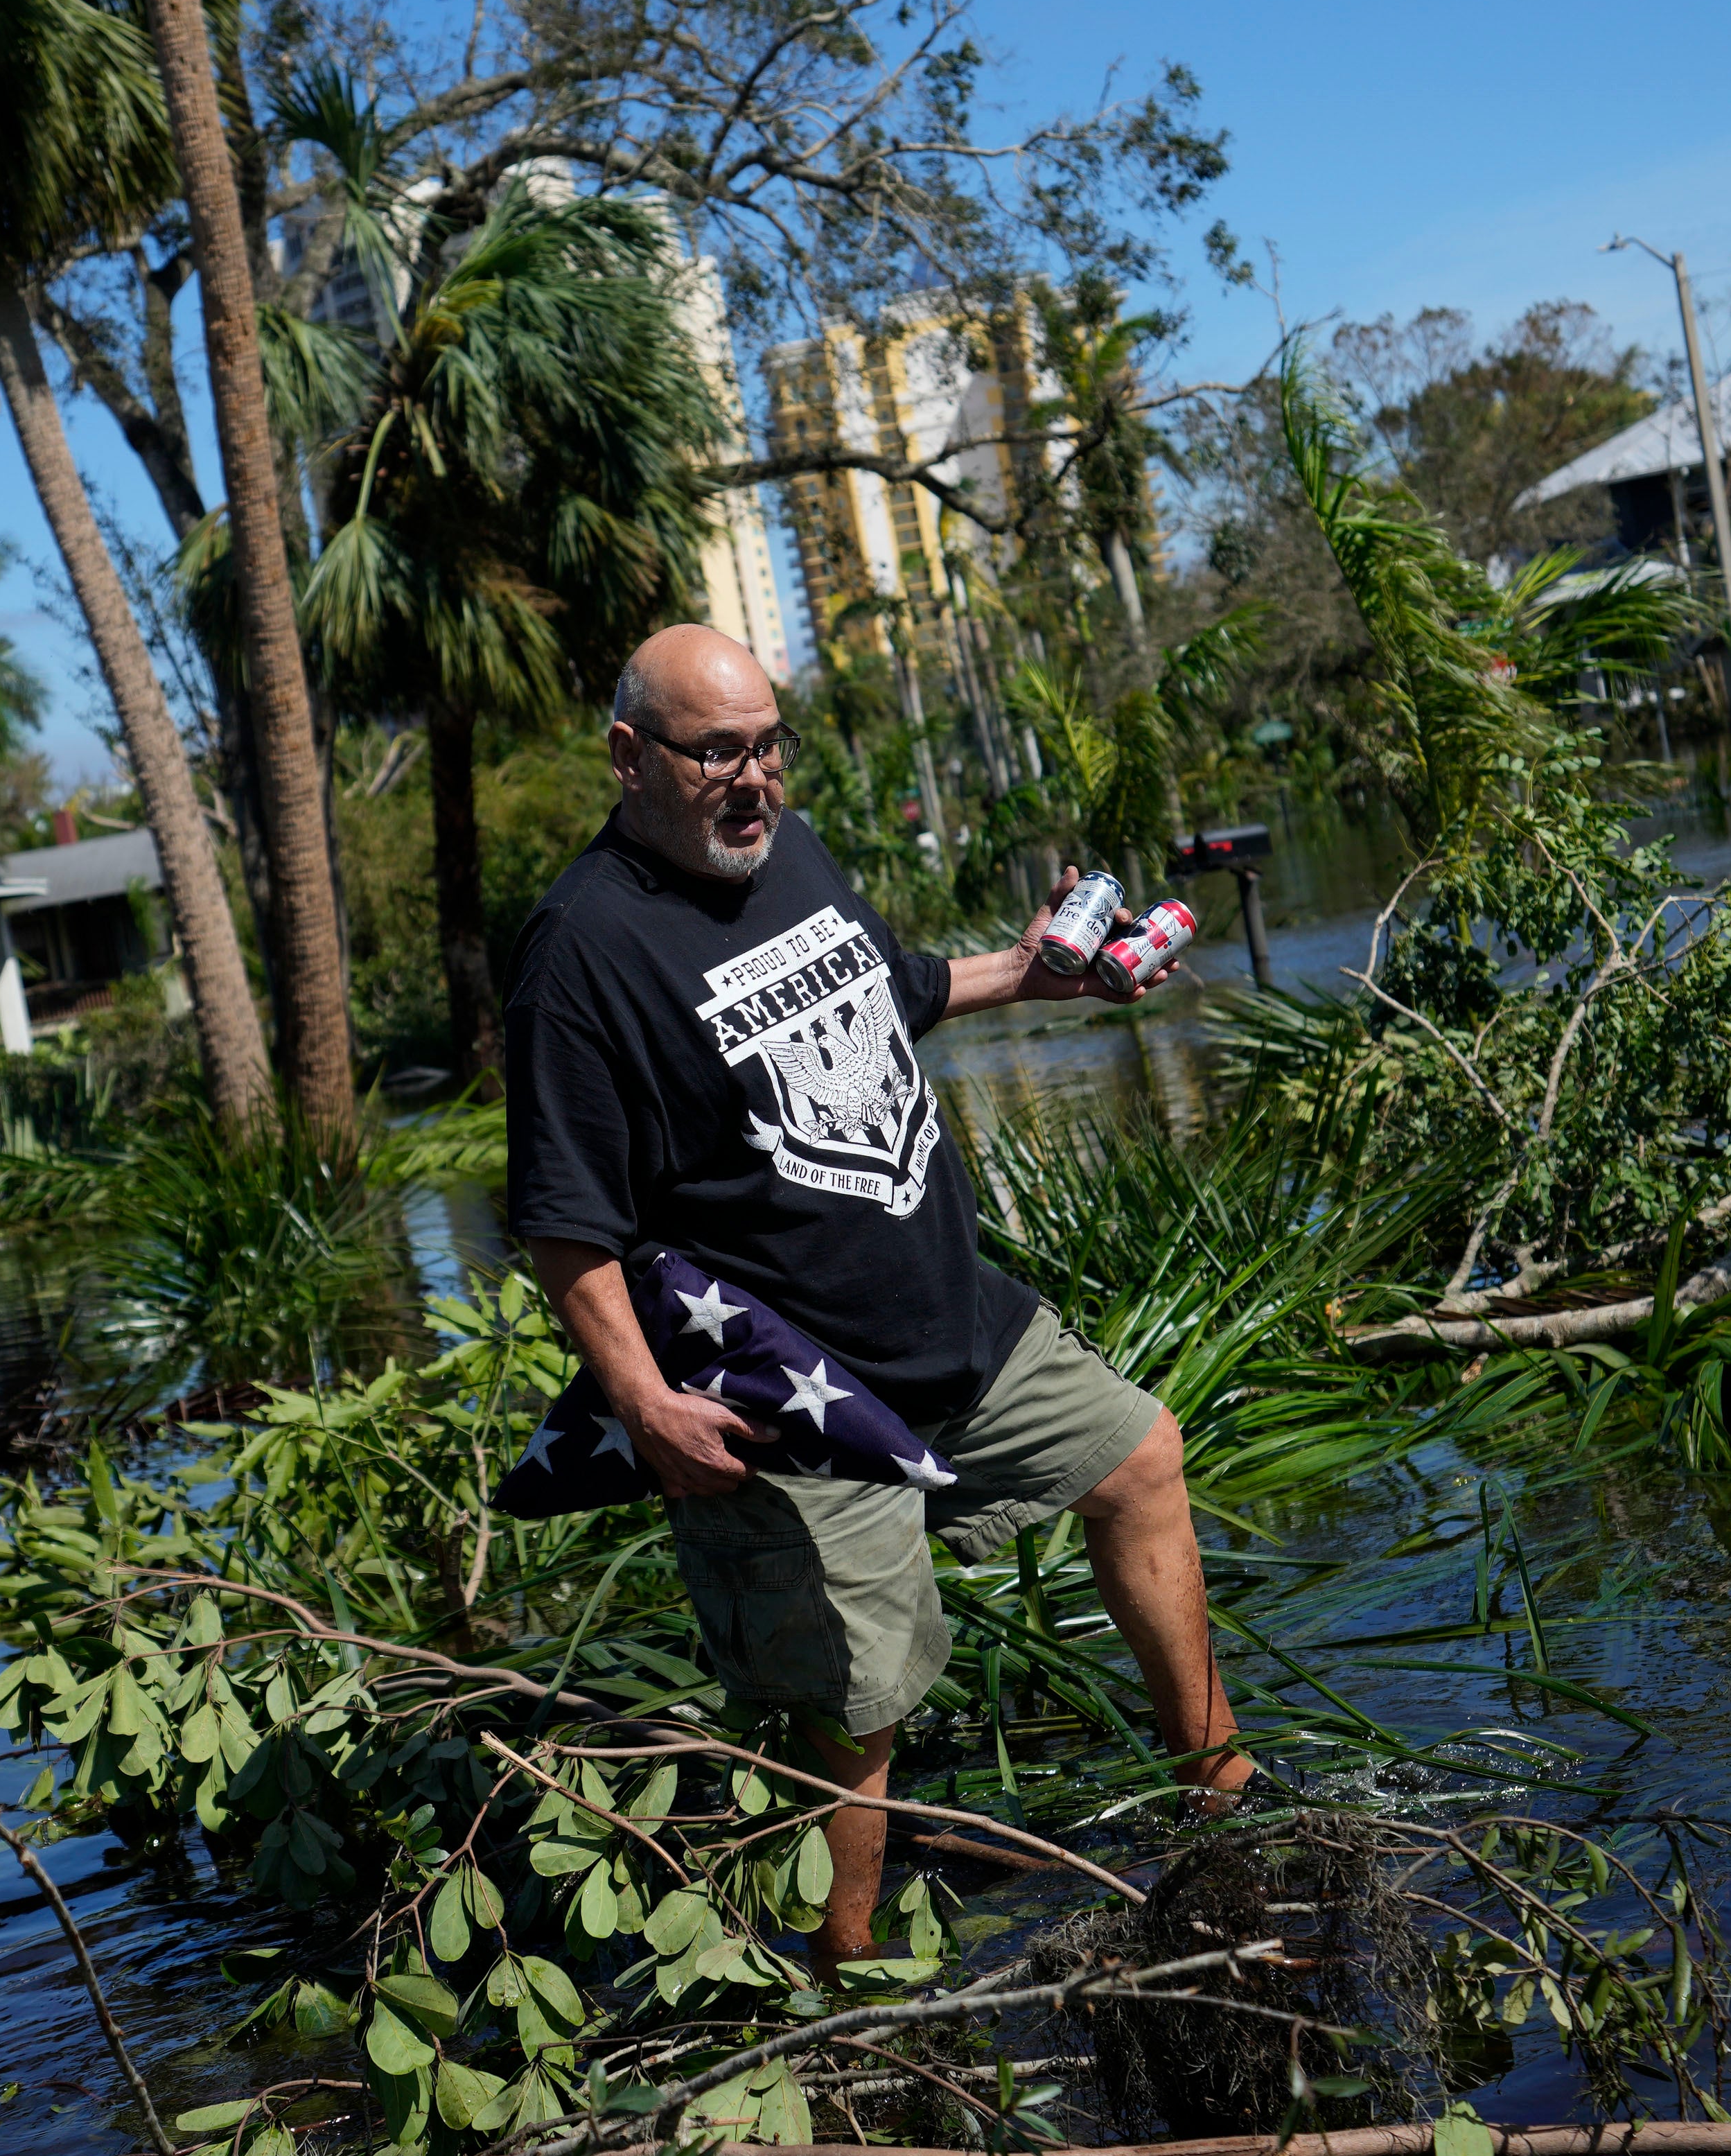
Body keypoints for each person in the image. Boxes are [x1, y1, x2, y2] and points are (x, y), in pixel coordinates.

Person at [504, 622, 1248, 1969]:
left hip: (955, 1321)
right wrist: (645, 1405)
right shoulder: (582, 950)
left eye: (767, 746)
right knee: (857, 1713)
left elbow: (889, 993)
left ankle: (1230, 1810)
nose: (752, 779)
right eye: (715, 753)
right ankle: (846, 1991)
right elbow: (566, 1224)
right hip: (797, 1389)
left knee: (1141, 1457)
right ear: (629, 757)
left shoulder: (789, 853)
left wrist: (1024, 972)